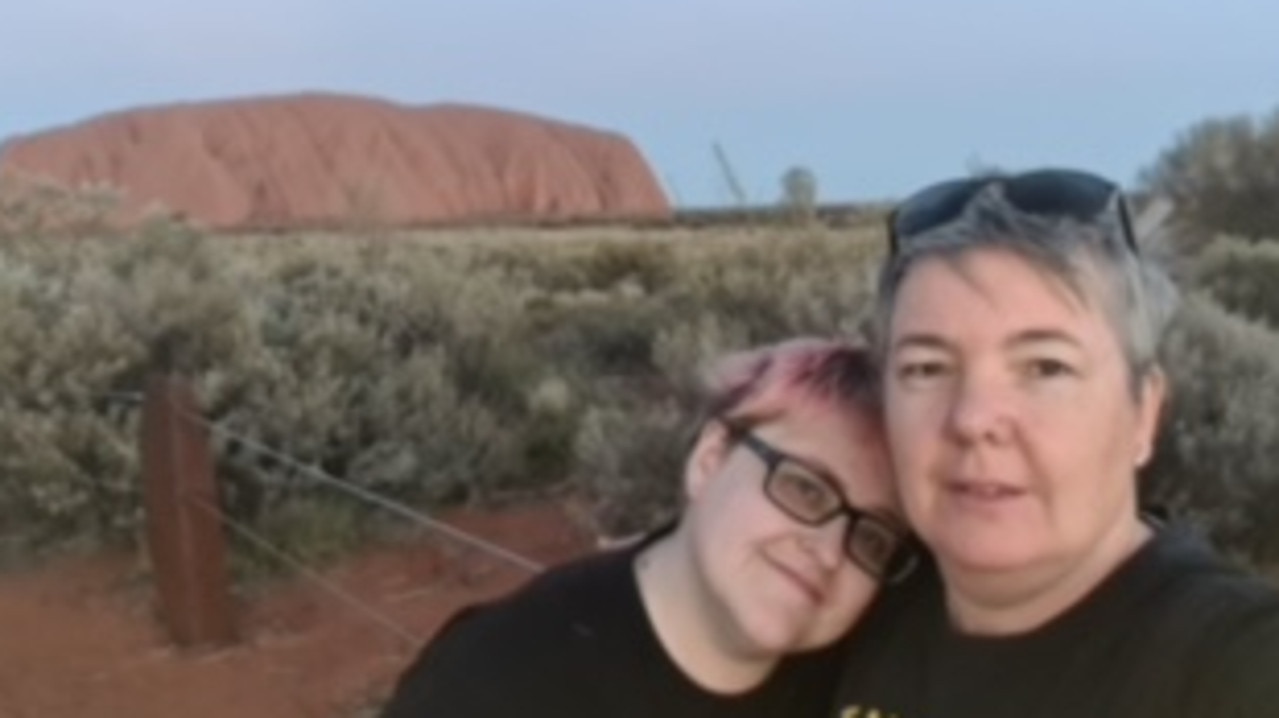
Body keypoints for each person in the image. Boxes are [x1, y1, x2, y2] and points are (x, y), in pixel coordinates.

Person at [833, 168, 1279, 718]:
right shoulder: (838, 618)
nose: (973, 418)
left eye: (1046, 367)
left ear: (1143, 412)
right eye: (926, 368)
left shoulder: (1235, 663)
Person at [380, 338, 920, 718]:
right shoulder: (495, 683)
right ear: (710, 459)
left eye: (870, 536)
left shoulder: (866, 675)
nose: (829, 551)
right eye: (805, 488)